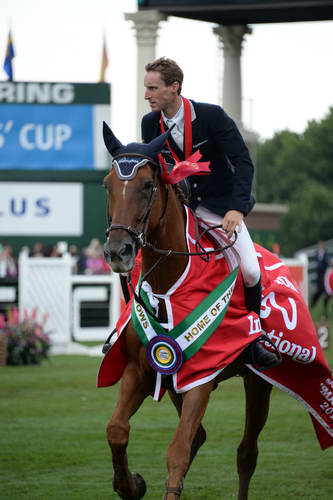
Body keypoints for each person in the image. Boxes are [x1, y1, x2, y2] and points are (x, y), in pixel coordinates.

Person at [141, 57, 280, 371]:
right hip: (180, 211)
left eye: (153, 88)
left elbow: (244, 163)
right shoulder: (150, 124)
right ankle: (131, 331)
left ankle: (255, 339)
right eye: (146, 88)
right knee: (143, 262)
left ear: (174, 87)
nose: (146, 95)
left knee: (250, 270)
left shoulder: (211, 116)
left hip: (220, 208)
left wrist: (237, 209)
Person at [311, 240, 330, 307]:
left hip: (324, 274)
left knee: (324, 290)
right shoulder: (316, 253)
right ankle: (314, 302)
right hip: (319, 274)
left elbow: (327, 262)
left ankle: (316, 302)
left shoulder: (326, 253)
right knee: (320, 290)